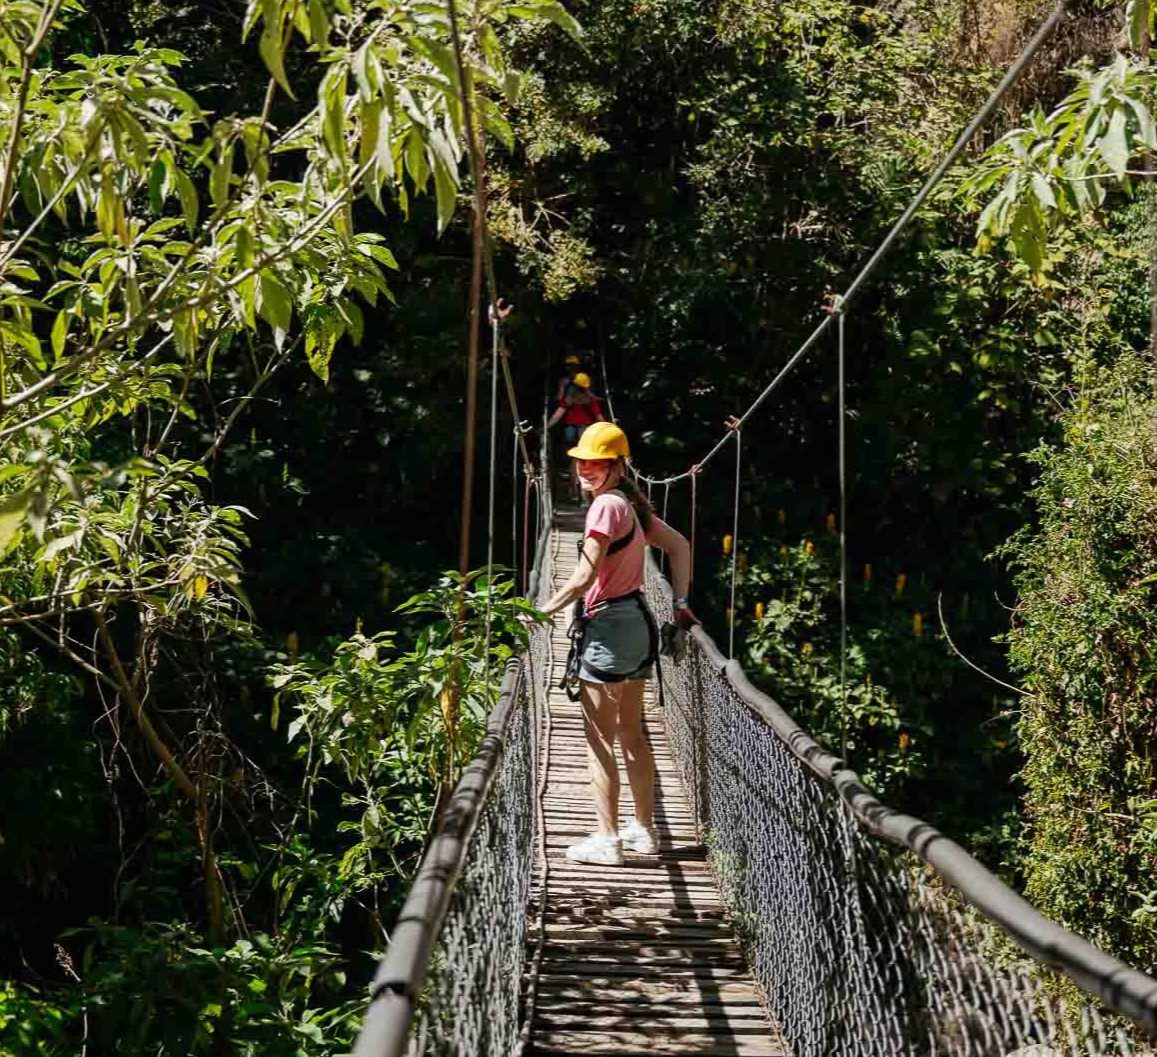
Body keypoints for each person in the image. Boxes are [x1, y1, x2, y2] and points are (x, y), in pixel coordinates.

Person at [539, 422, 698, 866]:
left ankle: (607, 840)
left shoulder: (604, 508)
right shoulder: (630, 503)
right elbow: (680, 546)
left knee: (598, 739)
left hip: (608, 630)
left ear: (618, 465)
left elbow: (584, 575)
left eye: (598, 462)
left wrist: (539, 613)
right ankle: (643, 832)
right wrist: (681, 603)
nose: (586, 468)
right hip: (638, 627)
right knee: (632, 732)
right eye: (581, 461)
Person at [547, 371, 605, 451]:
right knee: (569, 437)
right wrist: (547, 426)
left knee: (582, 438)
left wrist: (605, 427)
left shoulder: (589, 399)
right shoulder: (570, 398)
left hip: (584, 424)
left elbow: (597, 414)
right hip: (571, 424)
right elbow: (559, 413)